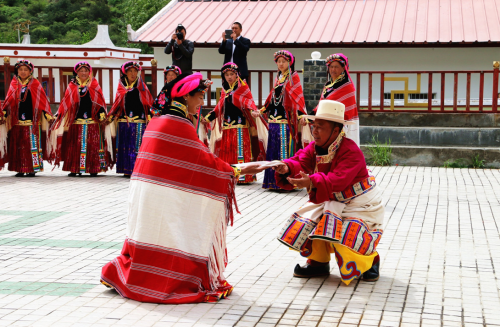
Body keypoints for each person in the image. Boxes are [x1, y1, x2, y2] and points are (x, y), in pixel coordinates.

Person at [100, 73, 263, 304]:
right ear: (186, 97)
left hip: (148, 194)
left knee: (153, 234)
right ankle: (163, 277)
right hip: (161, 195)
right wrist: (233, 171)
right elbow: (204, 161)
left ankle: (138, 272)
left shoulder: (159, 120)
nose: (200, 103)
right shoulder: (179, 124)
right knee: (171, 233)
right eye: (198, 97)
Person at [274, 100, 384, 285]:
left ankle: (370, 260)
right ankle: (318, 262)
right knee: (311, 221)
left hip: (359, 203)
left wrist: (311, 181)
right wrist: (286, 168)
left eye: (320, 127)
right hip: (332, 197)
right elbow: (301, 161)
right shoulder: (315, 147)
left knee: (346, 232)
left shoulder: (351, 151)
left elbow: (338, 180)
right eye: (314, 126)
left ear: (336, 131)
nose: (314, 131)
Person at [202, 62, 267, 184]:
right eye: (226, 75)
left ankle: (244, 177)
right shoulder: (225, 90)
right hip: (227, 126)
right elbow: (219, 107)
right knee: (227, 151)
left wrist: (254, 111)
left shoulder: (243, 88)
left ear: (237, 75)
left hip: (240, 126)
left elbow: (249, 103)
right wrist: (208, 118)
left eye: (231, 74)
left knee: (240, 150)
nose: (229, 77)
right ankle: (229, 174)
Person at [51, 61, 113, 177]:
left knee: (93, 144)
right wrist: (58, 114)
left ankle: (94, 168)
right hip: (76, 122)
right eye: (81, 71)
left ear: (89, 72)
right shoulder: (72, 86)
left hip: (92, 121)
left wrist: (102, 114)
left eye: (86, 71)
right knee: (75, 144)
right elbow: (65, 103)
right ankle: (75, 169)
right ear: (76, 72)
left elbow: (99, 102)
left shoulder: (94, 84)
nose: (83, 73)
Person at [260, 50, 309, 190]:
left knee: (284, 151)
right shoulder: (279, 78)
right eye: (279, 61)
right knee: (273, 151)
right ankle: (272, 182)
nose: (281, 64)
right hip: (274, 122)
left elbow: (298, 99)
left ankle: (287, 183)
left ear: (290, 62)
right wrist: (262, 110)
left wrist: (300, 115)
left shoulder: (293, 78)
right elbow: (272, 99)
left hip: (286, 122)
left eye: (284, 61)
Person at [0, 60, 54, 176]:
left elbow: (42, 101)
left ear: (30, 71)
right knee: (18, 145)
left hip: (32, 121)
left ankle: (32, 168)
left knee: (32, 144)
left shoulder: (35, 84)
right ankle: (19, 169)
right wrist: (3, 115)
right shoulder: (14, 84)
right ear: (17, 71)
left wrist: (48, 115)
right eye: (20, 70)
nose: (23, 72)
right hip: (17, 121)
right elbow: (8, 102)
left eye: (26, 69)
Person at [107, 61, 154, 176]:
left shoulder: (142, 86)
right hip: (124, 121)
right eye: (130, 71)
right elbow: (117, 103)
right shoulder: (121, 86)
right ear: (125, 73)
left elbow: (148, 103)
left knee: (136, 145)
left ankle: (138, 169)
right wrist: (111, 115)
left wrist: (150, 116)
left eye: (135, 71)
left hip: (139, 121)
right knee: (124, 146)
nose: (133, 74)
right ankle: (126, 170)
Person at [315, 53, 359, 146]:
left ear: (343, 68)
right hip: (325, 124)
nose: (333, 69)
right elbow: (322, 104)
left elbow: (347, 110)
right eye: (331, 67)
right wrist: (310, 116)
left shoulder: (347, 87)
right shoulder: (328, 85)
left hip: (340, 126)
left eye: (336, 67)